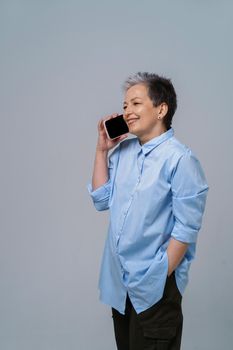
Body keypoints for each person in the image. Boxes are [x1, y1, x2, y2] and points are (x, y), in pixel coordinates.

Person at [87, 72, 209, 350]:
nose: (127, 111)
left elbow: (187, 228)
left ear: (161, 109)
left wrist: (157, 274)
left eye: (136, 103)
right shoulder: (123, 152)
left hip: (155, 285)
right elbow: (100, 199)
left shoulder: (181, 159)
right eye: (125, 105)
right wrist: (101, 150)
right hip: (120, 283)